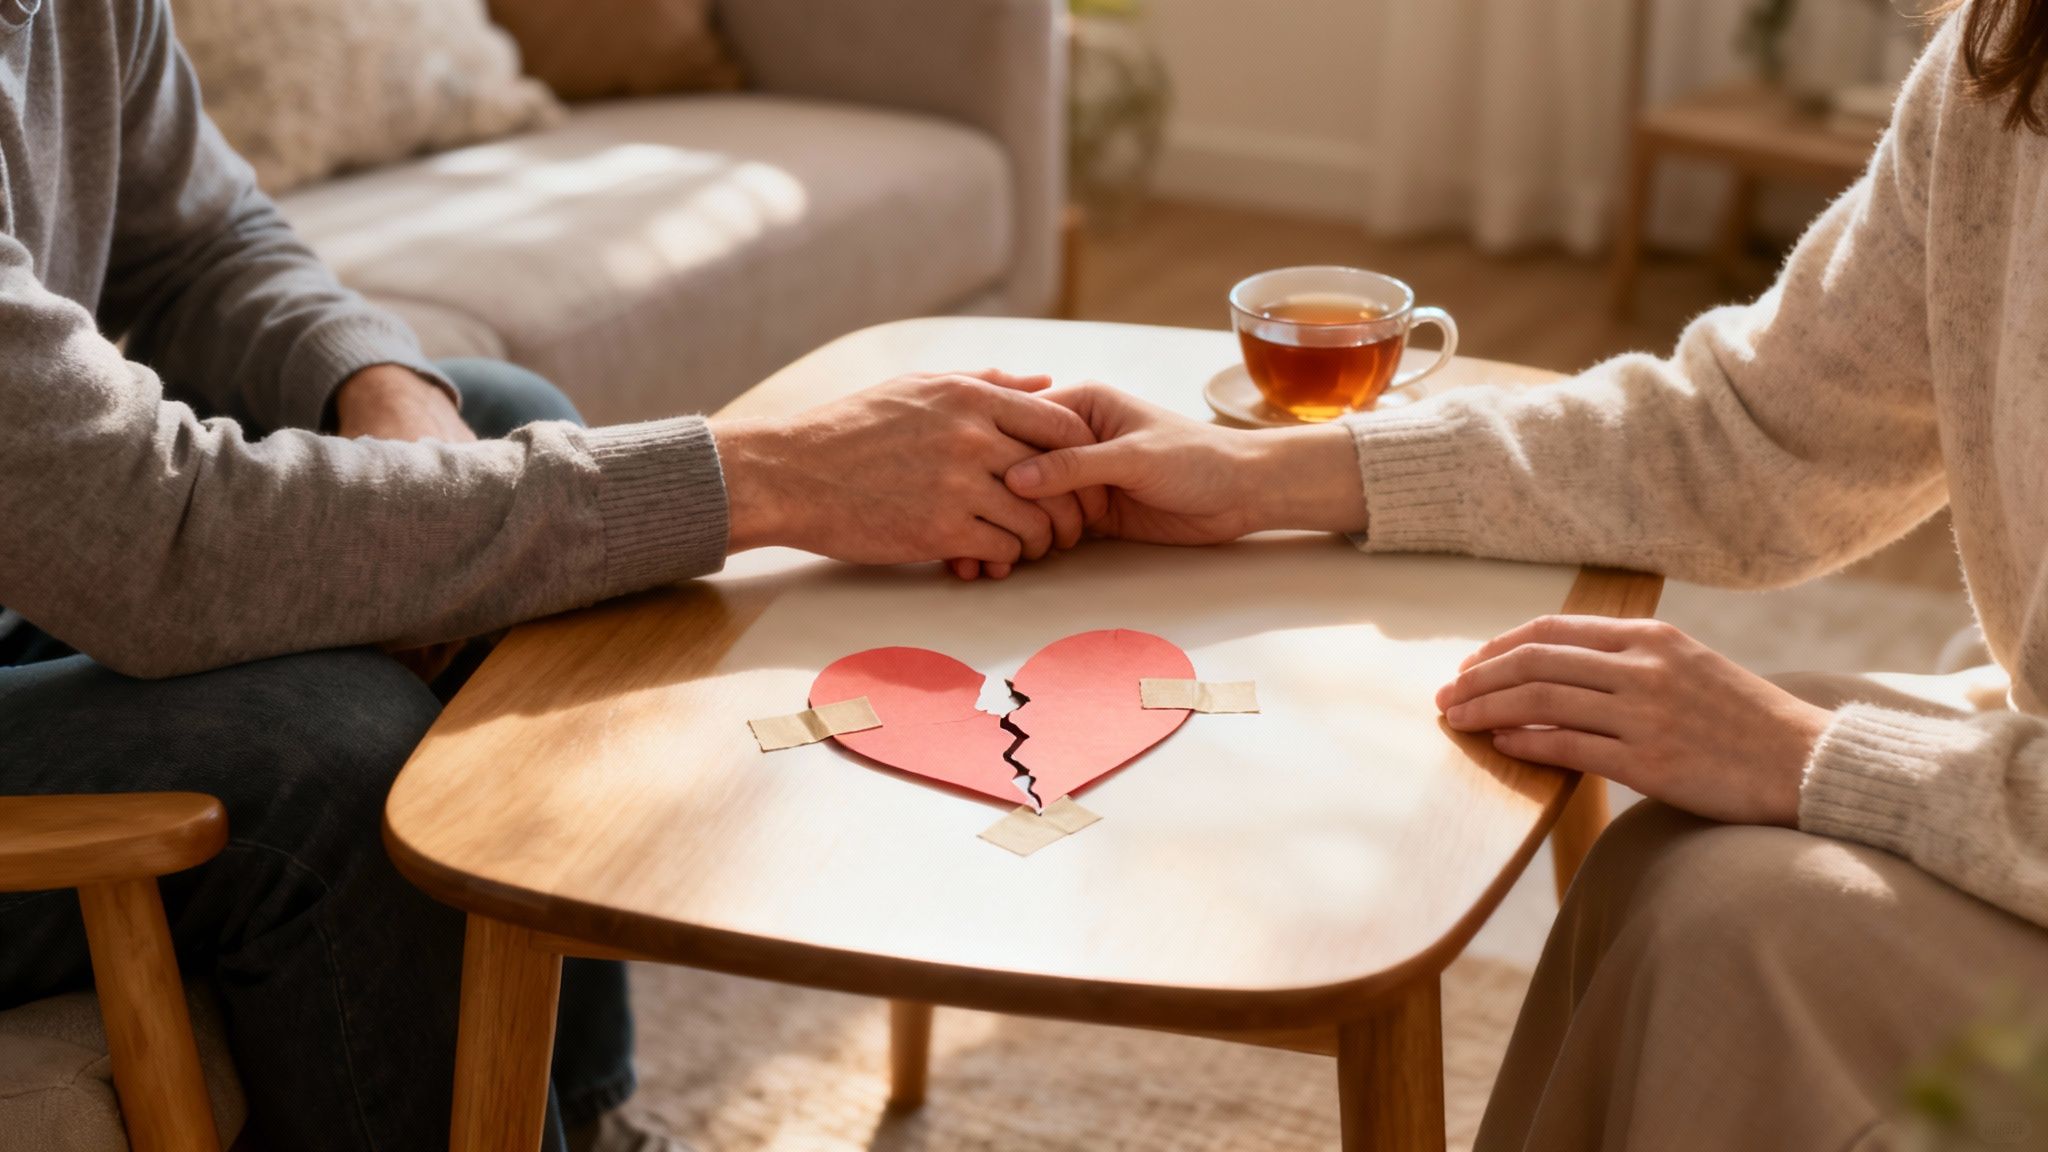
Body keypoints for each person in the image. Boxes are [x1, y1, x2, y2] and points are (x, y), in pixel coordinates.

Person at [0, 2, 1099, 1151]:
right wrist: (768, 478)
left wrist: (381, 386)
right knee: (332, 742)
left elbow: (202, 240)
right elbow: (154, 536)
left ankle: (580, 1118)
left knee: (500, 412)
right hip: (82, 559)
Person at [1000, 5, 2048, 1147]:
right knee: (1668, 841)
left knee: (1731, 924)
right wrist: (1268, 475)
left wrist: (1811, 757)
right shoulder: (2001, 75)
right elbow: (1746, 434)